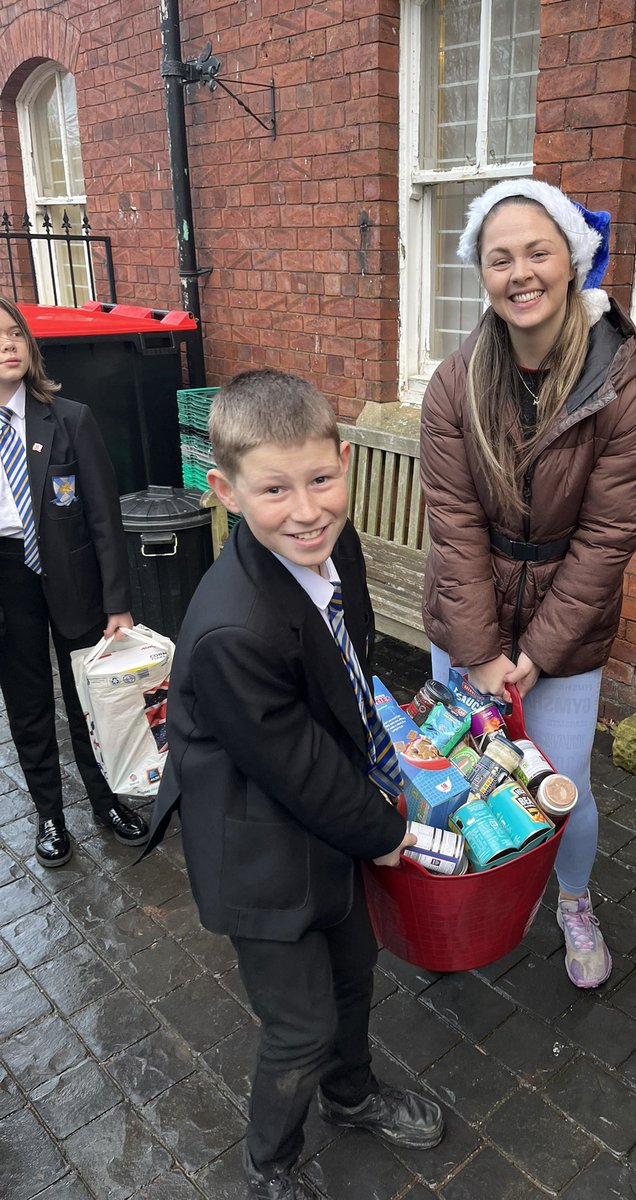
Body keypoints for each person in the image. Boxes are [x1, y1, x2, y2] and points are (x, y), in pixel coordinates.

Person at [143, 370, 443, 1200]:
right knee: (301, 1025)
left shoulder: (327, 541)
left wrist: (387, 765)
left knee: (352, 974)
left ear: (342, 462)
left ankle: (351, 1097)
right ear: (226, 491)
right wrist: (390, 833)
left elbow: (348, 675)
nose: (306, 508)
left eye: (320, 479)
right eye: (274, 489)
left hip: (324, 819)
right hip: (257, 847)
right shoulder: (235, 629)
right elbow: (295, 768)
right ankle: (269, 1165)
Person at [420, 181, 636, 988]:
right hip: (467, 614)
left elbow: (606, 538)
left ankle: (571, 901)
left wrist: (537, 654)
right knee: (464, 772)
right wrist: (482, 651)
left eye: (537, 251)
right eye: (499, 257)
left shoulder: (621, 385)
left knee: (564, 784)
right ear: (481, 274)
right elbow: (452, 524)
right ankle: (468, 894)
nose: (519, 272)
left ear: (571, 262)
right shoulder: (454, 383)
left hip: (569, 627)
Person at [0, 295, 149, 867]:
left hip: (72, 575)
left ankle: (105, 799)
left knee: (89, 699)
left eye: (16, 334)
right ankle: (49, 817)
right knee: (28, 704)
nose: (10, 344)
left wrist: (118, 603)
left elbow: (105, 520)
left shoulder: (69, 418)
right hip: (7, 579)